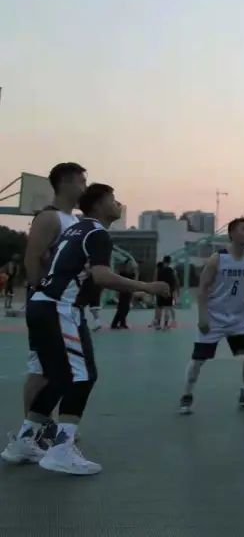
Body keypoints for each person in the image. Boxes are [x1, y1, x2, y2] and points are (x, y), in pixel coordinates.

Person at [2, 184, 169, 474]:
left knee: (59, 378)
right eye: (113, 199)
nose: (118, 204)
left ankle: (24, 441)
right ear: (99, 204)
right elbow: (102, 276)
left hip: (41, 304)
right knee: (83, 376)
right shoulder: (97, 233)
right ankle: (61, 450)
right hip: (60, 308)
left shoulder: (74, 230)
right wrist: (147, 287)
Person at [15, 163, 86, 439]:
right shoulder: (49, 218)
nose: (84, 187)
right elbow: (32, 259)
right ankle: (31, 432)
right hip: (47, 302)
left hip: (65, 306)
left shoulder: (76, 222)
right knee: (40, 366)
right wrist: (41, 292)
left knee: (59, 367)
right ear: (66, 182)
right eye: (81, 181)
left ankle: (45, 424)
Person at [178, 218, 244, 414]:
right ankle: (187, 394)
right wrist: (202, 316)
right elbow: (203, 288)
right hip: (214, 317)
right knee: (198, 360)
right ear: (232, 234)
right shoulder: (217, 258)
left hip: (238, 318)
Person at [111, 258, 137, 328]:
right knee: (121, 308)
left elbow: (135, 282)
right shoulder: (122, 273)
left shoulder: (132, 273)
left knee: (126, 308)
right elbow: (118, 281)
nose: (131, 265)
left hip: (129, 291)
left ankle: (121, 323)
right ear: (126, 265)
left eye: (131, 264)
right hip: (122, 291)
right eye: (129, 264)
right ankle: (116, 324)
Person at [153, 256, 178, 329]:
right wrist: (174, 290)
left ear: (163, 261)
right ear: (170, 261)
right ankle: (166, 325)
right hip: (168, 290)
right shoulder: (172, 270)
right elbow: (175, 281)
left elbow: (155, 279)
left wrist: (154, 289)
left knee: (159, 307)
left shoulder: (158, 269)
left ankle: (158, 324)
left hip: (160, 289)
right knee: (167, 308)